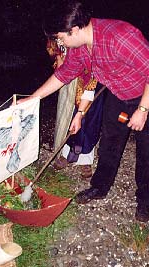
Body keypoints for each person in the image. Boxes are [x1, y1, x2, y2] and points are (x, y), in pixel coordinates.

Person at [19, 0, 149, 222]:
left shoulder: (121, 37)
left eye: (60, 37)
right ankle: (100, 187)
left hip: (148, 94)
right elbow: (64, 74)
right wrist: (32, 99)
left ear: (73, 29)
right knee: (109, 143)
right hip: (118, 93)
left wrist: (142, 110)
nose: (59, 42)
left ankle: (144, 200)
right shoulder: (80, 47)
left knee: (148, 149)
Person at [46, 38, 105, 178]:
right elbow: (53, 49)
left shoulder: (82, 36)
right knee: (68, 117)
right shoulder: (55, 34)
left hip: (91, 79)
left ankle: (85, 158)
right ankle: (66, 153)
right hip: (69, 80)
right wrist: (59, 58)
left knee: (89, 120)